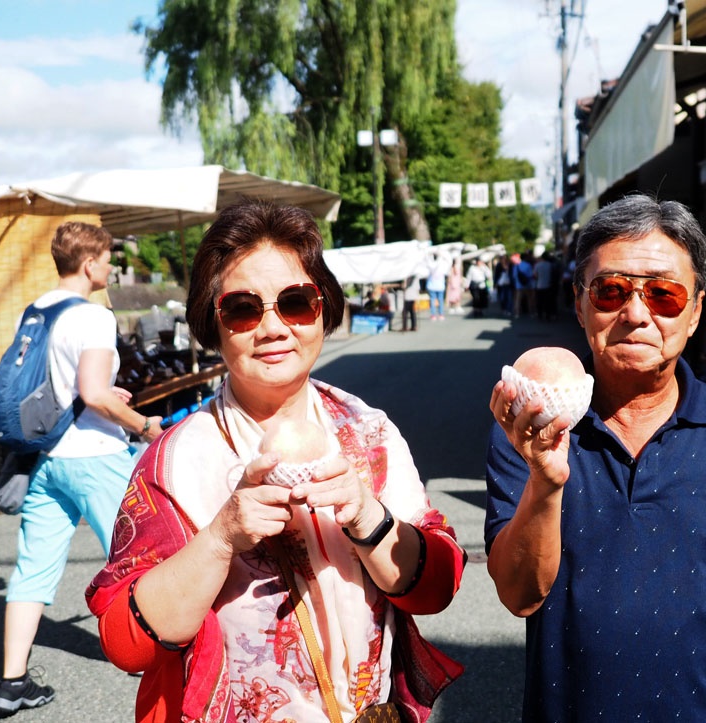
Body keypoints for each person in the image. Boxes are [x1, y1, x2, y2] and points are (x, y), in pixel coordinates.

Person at [86, 200, 466, 722]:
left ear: (323, 308)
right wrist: (219, 539)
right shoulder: (176, 460)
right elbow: (126, 644)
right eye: (242, 308)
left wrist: (367, 516)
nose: (272, 327)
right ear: (212, 323)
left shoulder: (369, 431)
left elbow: (436, 588)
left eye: (295, 301)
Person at [484, 195, 706, 722]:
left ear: (694, 312)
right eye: (611, 291)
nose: (637, 314)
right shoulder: (529, 430)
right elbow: (519, 594)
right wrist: (546, 482)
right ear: (579, 304)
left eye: (664, 295)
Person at [0, 222, 163, 719]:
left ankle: (11, 682)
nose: (112, 268)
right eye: (109, 260)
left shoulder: (38, 309)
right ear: (89, 264)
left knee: (32, 570)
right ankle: (150, 657)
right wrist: (142, 424)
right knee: (136, 558)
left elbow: (62, 386)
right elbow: (92, 392)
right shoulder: (93, 316)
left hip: (47, 459)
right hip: (95, 455)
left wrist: (105, 398)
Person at [425, 252, 447, 321]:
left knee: (432, 300)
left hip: (432, 285)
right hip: (440, 285)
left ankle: (433, 315)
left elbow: (427, 263)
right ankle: (441, 314)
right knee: (440, 300)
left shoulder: (430, 265)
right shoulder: (442, 265)